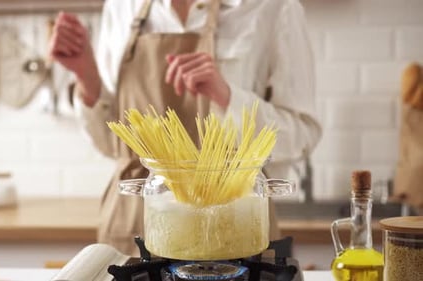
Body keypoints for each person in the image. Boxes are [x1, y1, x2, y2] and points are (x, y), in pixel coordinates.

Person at [49, 0, 322, 255]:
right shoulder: (122, 6)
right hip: (135, 219)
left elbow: (303, 132)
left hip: (235, 220)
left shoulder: (273, 8)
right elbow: (114, 143)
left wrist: (227, 96)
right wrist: (86, 76)